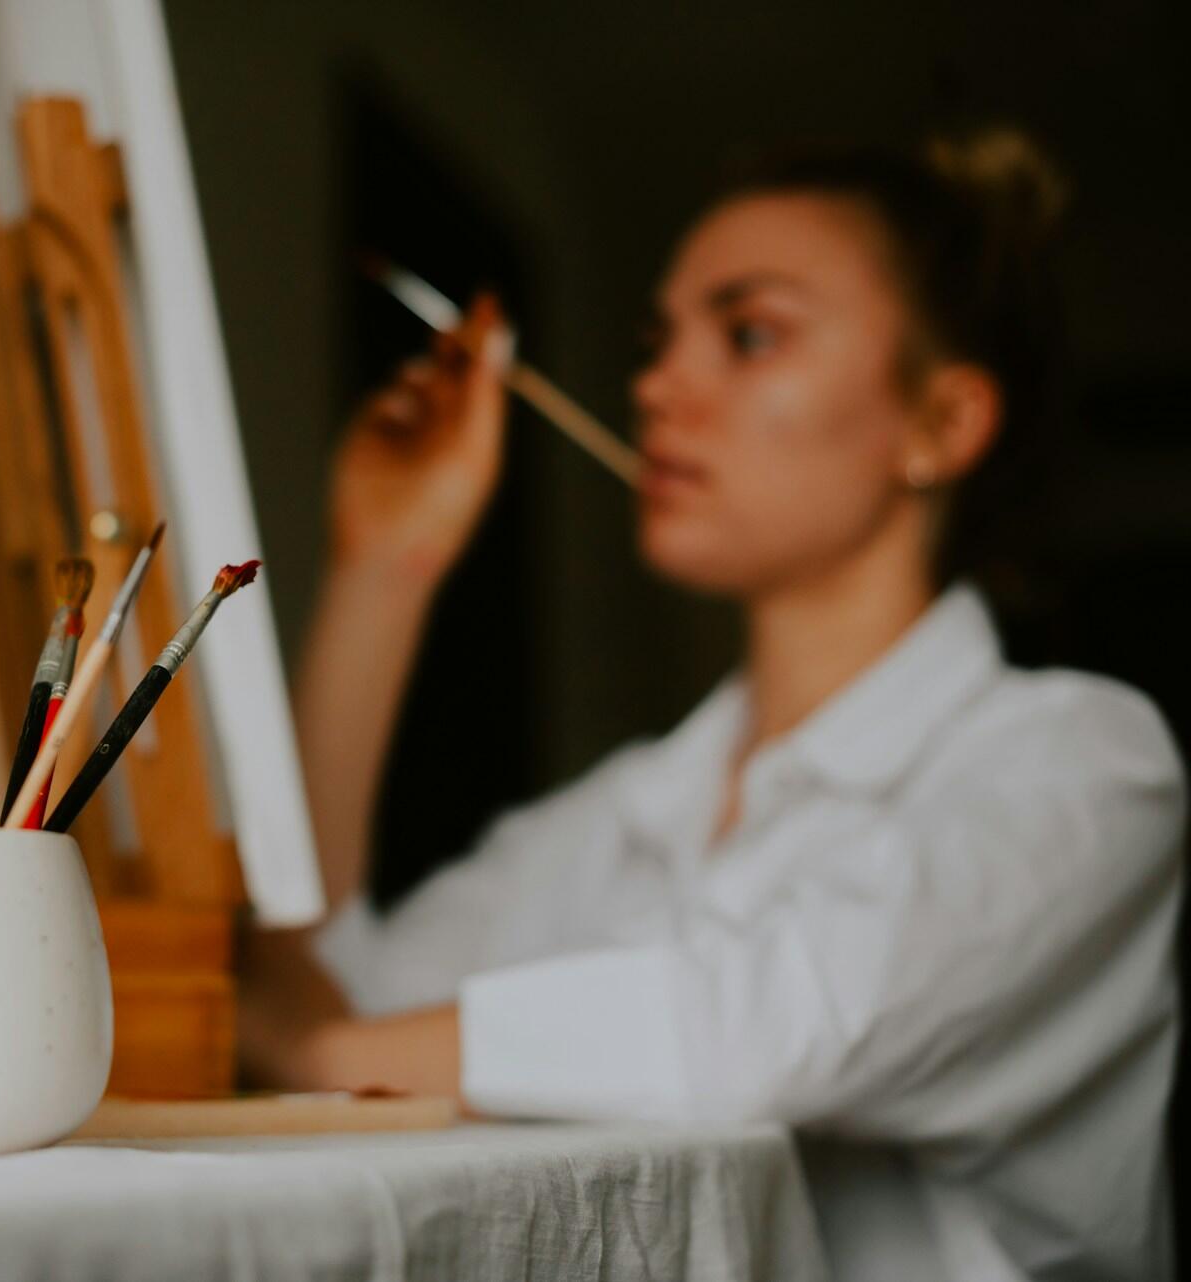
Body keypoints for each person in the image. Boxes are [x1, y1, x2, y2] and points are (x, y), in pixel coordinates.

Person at [240, 128, 1185, 1281]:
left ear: (942, 423)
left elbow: (776, 1025)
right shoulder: (623, 810)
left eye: (748, 333)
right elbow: (337, 993)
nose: (654, 385)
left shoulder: (1086, 768)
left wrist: (323, 1047)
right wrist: (383, 572)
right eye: (659, 340)